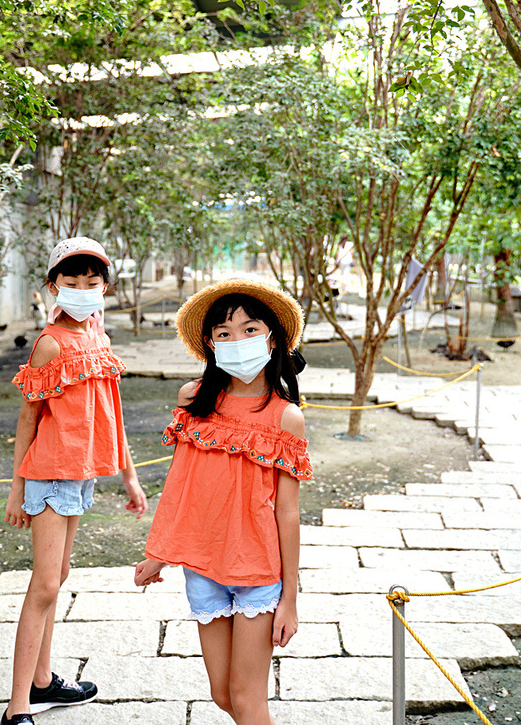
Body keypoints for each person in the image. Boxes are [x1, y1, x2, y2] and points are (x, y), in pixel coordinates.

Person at [134, 279, 310, 725]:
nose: (237, 341)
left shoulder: (287, 416)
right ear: (210, 344)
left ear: (273, 338)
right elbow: (181, 486)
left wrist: (290, 598)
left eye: (250, 329)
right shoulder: (193, 400)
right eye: (224, 333)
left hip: (258, 572)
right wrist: (159, 554)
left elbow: (288, 513)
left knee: (248, 699)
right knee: (222, 695)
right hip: (203, 567)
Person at [2, 236, 148, 725]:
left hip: (81, 475)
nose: (83, 289)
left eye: (92, 281)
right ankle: (16, 707)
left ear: (105, 287)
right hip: (48, 473)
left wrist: (129, 477)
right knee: (44, 584)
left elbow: (114, 414)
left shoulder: (99, 339)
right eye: (71, 281)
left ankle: (43, 683)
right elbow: (28, 418)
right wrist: (17, 488)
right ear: (53, 286)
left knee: (58, 577)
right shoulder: (48, 343)